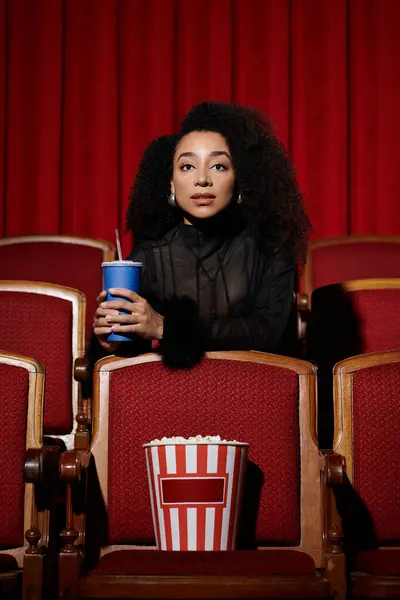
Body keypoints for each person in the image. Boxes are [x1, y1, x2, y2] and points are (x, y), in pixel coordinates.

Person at [90, 101, 310, 369]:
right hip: (174, 400)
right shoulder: (148, 256)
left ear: (240, 178)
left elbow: (267, 333)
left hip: (258, 396)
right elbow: (134, 357)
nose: (202, 180)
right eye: (187, 166)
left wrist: (165, 328)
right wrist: (113, 341)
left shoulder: (272, 247)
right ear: (170, 182)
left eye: (218, 166)